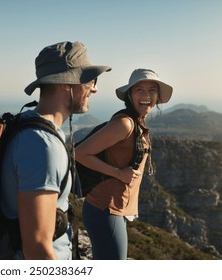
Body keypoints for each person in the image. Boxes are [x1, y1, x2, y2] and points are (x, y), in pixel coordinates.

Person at [0, 41, 111, 259]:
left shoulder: (31, 123)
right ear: (66, 83)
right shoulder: (42, 145)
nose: (94, 88)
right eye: (89, 80)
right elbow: (37, 247)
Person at [75, 68, 173, 260]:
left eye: (152, 90)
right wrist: (118, 173)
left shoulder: (137, 123)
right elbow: (79, 153)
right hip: (105, 210)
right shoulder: (125, 125)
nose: (146, 95)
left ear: (158, 96)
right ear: (129, 95)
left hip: (111, 211)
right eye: (139, 90)